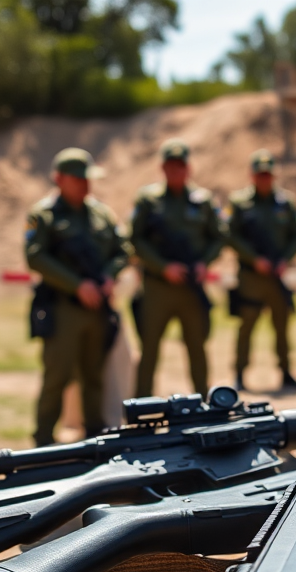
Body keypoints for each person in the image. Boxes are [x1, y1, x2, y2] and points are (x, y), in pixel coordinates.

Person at [26, 148, 129, 446]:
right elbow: (35, 257)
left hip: (97, 310)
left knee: (93, 376)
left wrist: (109, 275)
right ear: (59, 179)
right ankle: (43, 440)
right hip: (62, 310)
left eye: (88, 179)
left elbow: (122, 249)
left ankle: (95, 437)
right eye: (78, 179)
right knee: (56, 378)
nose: (85, 184)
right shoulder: (43, 215)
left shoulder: (101, 213)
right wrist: (76, 285)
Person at [130, 139, 223, 397]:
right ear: (162, 168)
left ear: (188, 168)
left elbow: (218, 236)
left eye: (180, 166)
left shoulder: (203, 201)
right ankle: (142, 408)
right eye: (170, 166)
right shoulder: (148, 200)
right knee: (149, 350)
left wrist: (205, 262)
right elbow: (135, 239)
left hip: (191, 289)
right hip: (157, 288)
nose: (175, 171)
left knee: (197, 348)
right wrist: (163, 267)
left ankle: (205, 404)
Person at [226, 149, 296, 392]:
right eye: (260, 175)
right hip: (251, 276)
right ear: (252, 175)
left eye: (268, 175)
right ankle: (239, 373)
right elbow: (230, 235)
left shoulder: (285, 203)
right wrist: (254, 258)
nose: (264, 179)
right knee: (247, 325)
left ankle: (286, 371)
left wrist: (285, 259)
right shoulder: (240, 203)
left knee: (282, 325)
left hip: (277, 276)